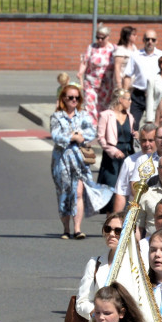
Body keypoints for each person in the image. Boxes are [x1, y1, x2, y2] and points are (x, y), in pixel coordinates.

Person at [51, 83, 103, 239]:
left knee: (79, 193)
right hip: (62, 161)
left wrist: (80, 136)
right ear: (63, 99)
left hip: (80, 160)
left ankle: (78, 229)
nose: (74, 100)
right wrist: (72, 136)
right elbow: (56, 136)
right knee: (65, 194)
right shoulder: (57, 116)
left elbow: (91, 132)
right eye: (70, 98)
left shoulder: (83, 115)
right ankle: (66, 229)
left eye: (77, 97)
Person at [78, 24, 127, 122]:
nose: (99, 40)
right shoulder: (92, 47)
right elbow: (85, 61)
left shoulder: (114, 48)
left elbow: (119, 64)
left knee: (104, 108)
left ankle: (101, 128)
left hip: (106, 85)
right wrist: (80, 73)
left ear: (108, 37)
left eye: (102, 38)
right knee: (90, 106)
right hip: (91, 83)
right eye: (97, 37)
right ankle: (92, 129)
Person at [95, 88, 135, 187]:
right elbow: (100, 138)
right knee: (111, 186)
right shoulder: (106, 115)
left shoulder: (130, 117)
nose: (131, 101)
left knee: (125, 187)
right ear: (121, 100)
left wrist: (136, 135)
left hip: (127, 155)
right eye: (128, 99)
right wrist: (113, 151)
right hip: (112, 157)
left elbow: (130, 134)